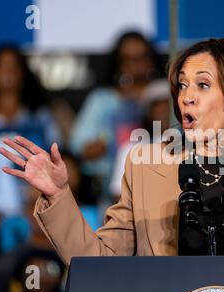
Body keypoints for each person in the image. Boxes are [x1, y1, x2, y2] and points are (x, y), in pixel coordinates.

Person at [0, 38, 224, 265]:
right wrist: (58, 194)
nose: (185, 97)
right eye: (182, 85)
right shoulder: (145, 165)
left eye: (202, 85)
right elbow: (99, 263)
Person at [68, 31, 160, 204]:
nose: (136, 65)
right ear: (118, 63)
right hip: (110, 193)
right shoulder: (102, 100)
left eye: (142, 57)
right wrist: (97, 147)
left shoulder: (163, 97)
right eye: (129, 59)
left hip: (158, 186)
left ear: (151, 60)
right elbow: (79, 148)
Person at [0, 44, 61, 148]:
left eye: (14, 65)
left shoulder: (40, 115)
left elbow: (55, 151)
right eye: (1, 65)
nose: (8, 71)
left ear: (24, 72)